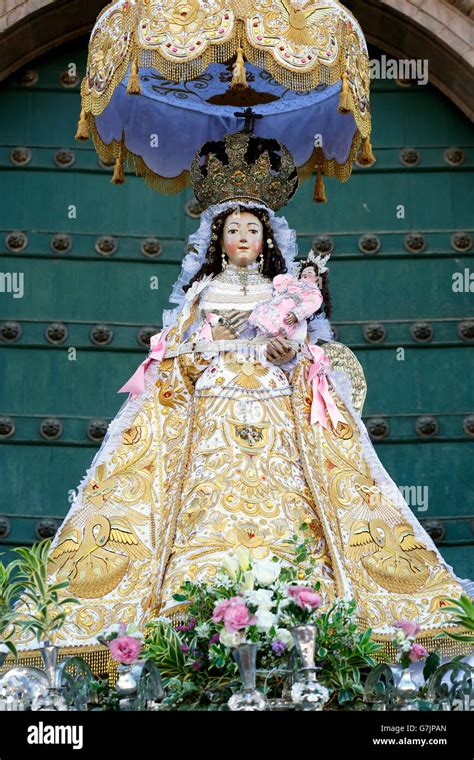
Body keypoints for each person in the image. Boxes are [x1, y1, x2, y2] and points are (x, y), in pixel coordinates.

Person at [10, 132, 472, 661]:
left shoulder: (285, 291)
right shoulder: (204, 291)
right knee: (205, 501)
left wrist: (285, 352)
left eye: (253, 228)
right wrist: (216, 344)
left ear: (268, 237)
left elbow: (308, 356)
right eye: (234, 229)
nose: (244, 236)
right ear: (218, 239)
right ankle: (196, 600)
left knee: (289, 500)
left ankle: (302, 599)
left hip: (278, 412)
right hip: (214, 415)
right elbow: (174, 357)